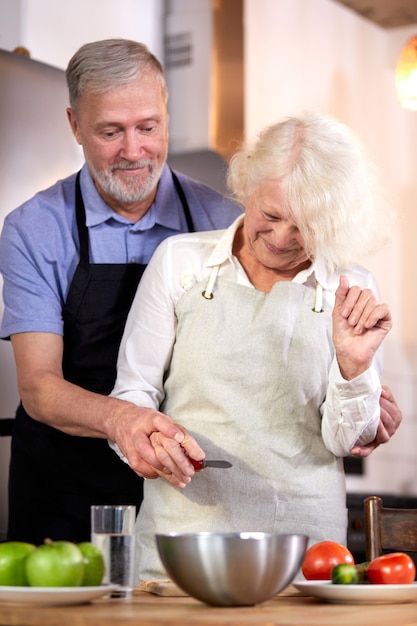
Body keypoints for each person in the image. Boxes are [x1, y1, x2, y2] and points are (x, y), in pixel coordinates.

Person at [109, 112, 398, 581]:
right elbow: (133, 394)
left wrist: (353, 365)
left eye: (305, 226)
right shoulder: (180, 263)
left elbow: (349, 441)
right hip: (180, 556)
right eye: (271, 214)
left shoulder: (352, 288)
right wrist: (146, 440)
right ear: (247, 186)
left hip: (308, 563)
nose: (282, 239)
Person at [0, 38, 243, 544]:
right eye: (110, 131)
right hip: (63, 492)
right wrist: (124, 419)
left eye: (148, 127)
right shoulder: (34, 229)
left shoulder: (224, 224)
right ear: (74, 126)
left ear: (166, 117)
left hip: (187, 490)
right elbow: (38, 386)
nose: (133, 151)